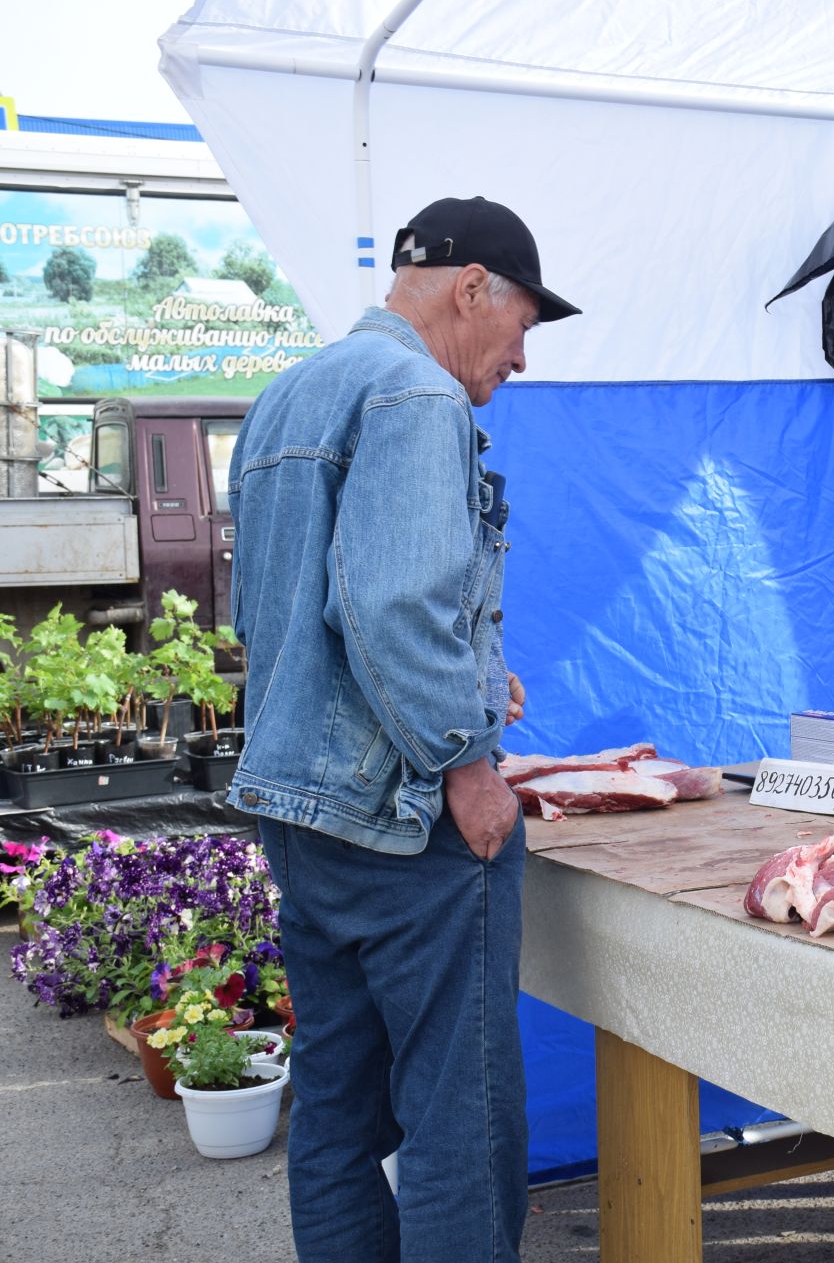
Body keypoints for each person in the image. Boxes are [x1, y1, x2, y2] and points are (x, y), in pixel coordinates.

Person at [224, 195, 579, 1263]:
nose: (520, 358)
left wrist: (473, 677)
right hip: (404, 820)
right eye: (522, 326)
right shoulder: (419, 394)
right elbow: (390, 607)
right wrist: (468, 757)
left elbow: (292, 612)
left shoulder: (289, 392)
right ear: (471, 289)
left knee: (335, 1104)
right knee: (458, 1121)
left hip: (302, 807)